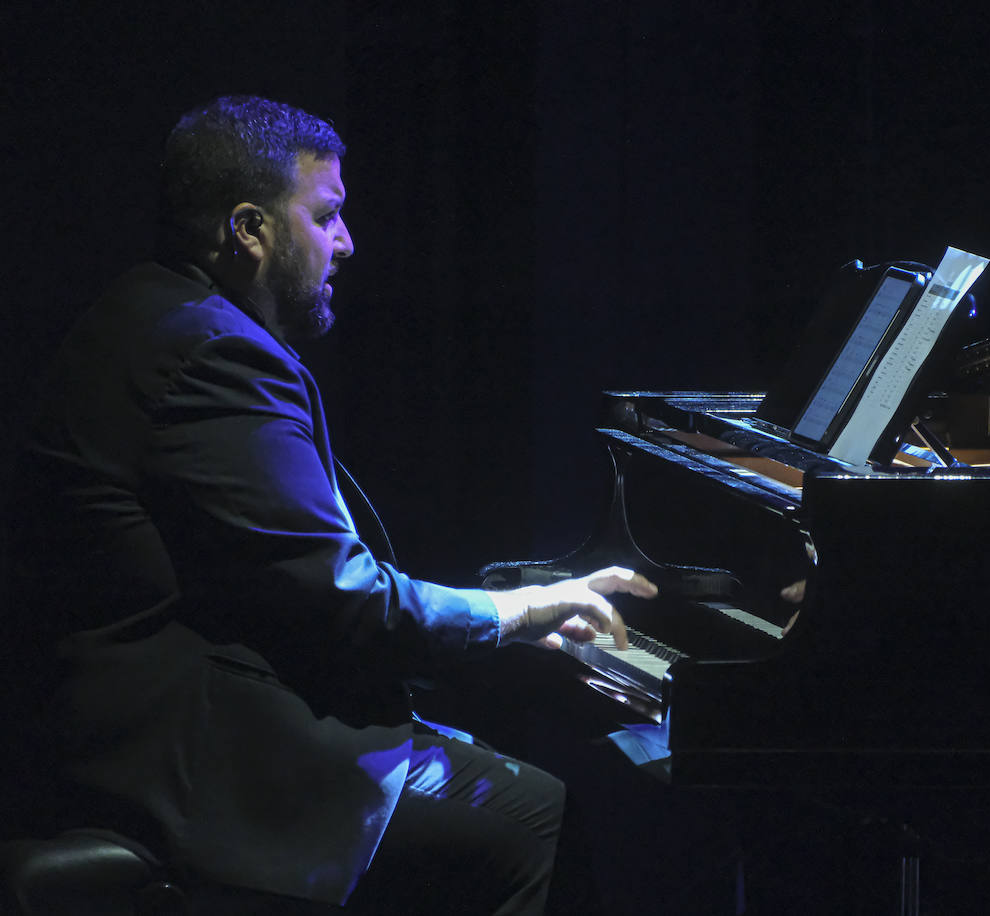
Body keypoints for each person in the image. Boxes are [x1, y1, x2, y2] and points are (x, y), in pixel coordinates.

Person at [1, 95, 656, 914]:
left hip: (135, 717)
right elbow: (347, 604)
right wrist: (521, 608)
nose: (346, 243)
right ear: (250, 228)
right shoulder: (216, 355)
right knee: (539, 821)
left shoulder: (148, 312)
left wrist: (500, 626)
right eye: (327, 216)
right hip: (184, 754)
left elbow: (290, 591)